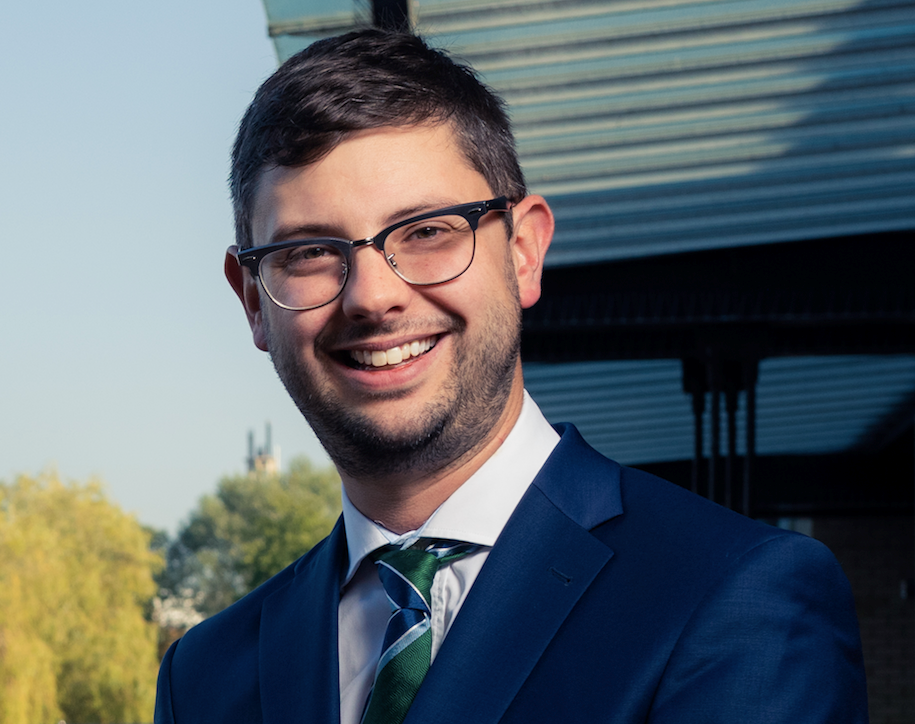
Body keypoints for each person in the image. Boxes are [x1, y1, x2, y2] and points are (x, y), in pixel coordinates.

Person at [155, 28, 868, 724]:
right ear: (253, 300)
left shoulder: (734, 597)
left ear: (522, 252)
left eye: (428, 231)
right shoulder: (207, 677)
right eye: (310, 251)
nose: (371, 296)